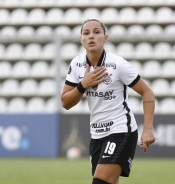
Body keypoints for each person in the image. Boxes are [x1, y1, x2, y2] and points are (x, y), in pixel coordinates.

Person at [61, 19, 156, 184]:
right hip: (97, 134)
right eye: (86, 33)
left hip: (121, 130)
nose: (91, 36)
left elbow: (147, 92)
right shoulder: (76, 64)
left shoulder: (118, 64)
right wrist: (83, 84)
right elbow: (65, 102)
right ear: (81, 39)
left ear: (105, 38)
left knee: (100, 182)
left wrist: (147, 129)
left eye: (97, 32)